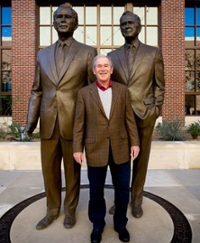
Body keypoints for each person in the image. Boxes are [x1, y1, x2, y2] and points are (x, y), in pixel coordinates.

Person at [23, 4, 97, 230]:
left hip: (74, 123)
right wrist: (29, 125)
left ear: (76, 23)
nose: (63, 20)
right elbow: (37, 91)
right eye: (59, 17)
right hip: (47, 123)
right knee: (49, 170)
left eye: (68, 17)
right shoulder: (42, 54)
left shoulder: (87, 52)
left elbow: (90, 91)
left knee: (72, 171)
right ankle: (52, 209)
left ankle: (70, 210)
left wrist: (90, 126)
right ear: (53, 22)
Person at [73, 54, 140, 243]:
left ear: (111, 69)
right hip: (95, 148)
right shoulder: (84, 93)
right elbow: (79, 124)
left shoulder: (123, 91)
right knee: (95, 191)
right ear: (94, 70)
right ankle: (97, 225)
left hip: (121, 147)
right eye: (99, 66)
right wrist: (77, 148)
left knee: (122, 191)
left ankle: (120, 225)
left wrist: (135, 142)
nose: (102, 69)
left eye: (106, 66)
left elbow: (129, 119)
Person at [108, 11, 165, 218]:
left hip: (145, 114)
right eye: (123, 24)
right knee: (119, 161)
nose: (126, 26)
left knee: (141, 160)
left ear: (139, 26)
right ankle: (121, 198)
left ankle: (136, 199)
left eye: (131, 23)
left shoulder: (153, 53)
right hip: (119, 117)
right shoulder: (112, 57)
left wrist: (156, 109)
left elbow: (160, 85)